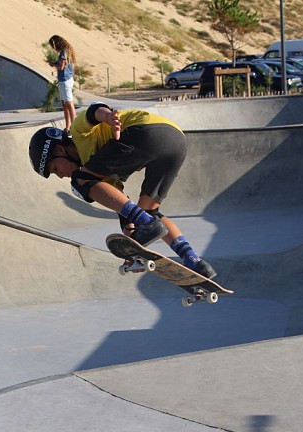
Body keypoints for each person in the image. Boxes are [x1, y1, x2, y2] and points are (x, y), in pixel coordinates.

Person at [28, 102, 217, 279]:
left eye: (54, 169)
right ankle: (195, 262)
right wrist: (133, 249)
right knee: (149, 212)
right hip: (176, 141)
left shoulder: (78, 134)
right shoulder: (99, 172)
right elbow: (122, 207)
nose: (60, 176)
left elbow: (94, 111)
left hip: (145, 131)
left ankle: (147, 223)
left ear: (60, 149)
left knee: (79, 182)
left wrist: (108, 116)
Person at [48, 35, 77, 134]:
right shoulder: (66, 51)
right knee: (64, 104)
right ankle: (68, 126)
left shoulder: (64, 52)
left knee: (69, 103)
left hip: (65, 80)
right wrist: (55, 62)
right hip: (63, 80)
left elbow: (61, 67)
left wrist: (54, 65)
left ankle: (74, 126)